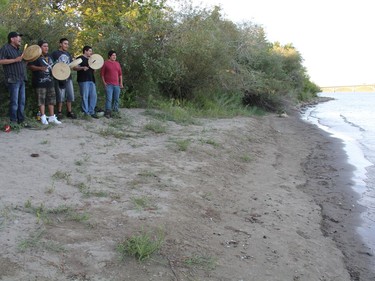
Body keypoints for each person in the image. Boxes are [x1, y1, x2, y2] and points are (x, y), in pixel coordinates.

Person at [28, 40, 61, 125]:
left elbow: (53, 66)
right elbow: (30, 66)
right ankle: (43, 117)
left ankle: (52, 117)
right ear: (40, 47)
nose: (47, 48)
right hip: (39, 82)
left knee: (51, 100)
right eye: (44, 46)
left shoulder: (49, 56)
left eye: (47, 46)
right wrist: (40, 68)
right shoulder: (35, 56)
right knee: (41, 100)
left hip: (50, 82)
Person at [0, 31, 28, 126]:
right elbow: (1, 60)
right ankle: (13, 122)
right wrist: (15, 60)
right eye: (18, 37)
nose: (20, 39)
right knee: (14, 102)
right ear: (12, 39)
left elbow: (21, 63)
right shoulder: (5, 48)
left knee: (22, 102)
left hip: (21, 79)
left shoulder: (19, 50)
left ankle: (21, 121)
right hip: (12, 79)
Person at [51, 38, 76, 119]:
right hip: (59, 77)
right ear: (60, 44)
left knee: (70, 94)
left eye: (67, 44)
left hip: (68, 77)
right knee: (60, 95)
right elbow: (51, 64)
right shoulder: (55, 53)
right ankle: (59, 112)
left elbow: (71, 65)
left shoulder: (68, 54)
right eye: (65, 43)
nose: (66, 45)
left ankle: (69, 112)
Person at [73, 45, 98, 118]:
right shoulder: (80, 58)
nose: (91, 52)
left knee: (93, 96)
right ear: (85, 51)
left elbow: (94, 70)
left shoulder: (91, 59)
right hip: (83, 80)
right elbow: (74, 67)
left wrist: (94, 68)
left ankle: (91, 111)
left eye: (91, 51)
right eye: (90, 51)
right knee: (85, 96)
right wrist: (82, 68)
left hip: (91, 79)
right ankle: (85, 112)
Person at [100, 50, 123, 118]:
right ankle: (108, 112)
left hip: (117, 85)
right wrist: (104, 83)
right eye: (113, 55)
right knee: (109, 99)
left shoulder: (117, 63)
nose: (114, 56)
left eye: (115, 55)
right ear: (109, 56)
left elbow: (120, 74)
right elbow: (102, 74)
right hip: (109, 85)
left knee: (116, 99)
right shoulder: (105, 63)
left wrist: (121, 83)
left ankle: (115, 112)